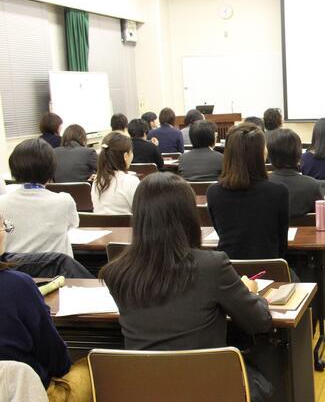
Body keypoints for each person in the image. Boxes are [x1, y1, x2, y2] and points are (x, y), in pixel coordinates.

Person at [100, 172, 273, 401]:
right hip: (207, 388)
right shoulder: (212, 266)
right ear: (188, 216)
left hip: (144, 390)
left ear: (139, 217)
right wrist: (250, 292)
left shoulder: (116, 273)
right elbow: (260, 322)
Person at [0, 224, 92, 401]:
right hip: (25, 394)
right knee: (89, 368)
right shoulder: (19, 286)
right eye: (4, 225)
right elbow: (58, 361)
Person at [207, 123, 289, 260]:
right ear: (261, 153)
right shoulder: (278, 192)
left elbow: (221, 233)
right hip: (270, 271)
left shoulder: (213, 192)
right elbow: (282, 244)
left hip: (228, 272)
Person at [0, 139, 78, 256]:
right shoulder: (64, 201)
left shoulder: (2, 203)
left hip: (16, 271)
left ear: (14, 169)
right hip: (56, 272)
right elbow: (72, 225)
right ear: (51, 168)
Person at [268, 128, 324, 218]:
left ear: (270, 155)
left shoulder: (262, 183)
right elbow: (324, 219)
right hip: (306, 231)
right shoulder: (311, 184)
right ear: (298, 154)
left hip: (272, 232)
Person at [92, 132, 139, 214]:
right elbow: (140, 213)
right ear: (125, 156)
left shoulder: (97, 180)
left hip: (99, 226)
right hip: (126, 226)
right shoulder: (131, 181)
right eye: (131, 152)